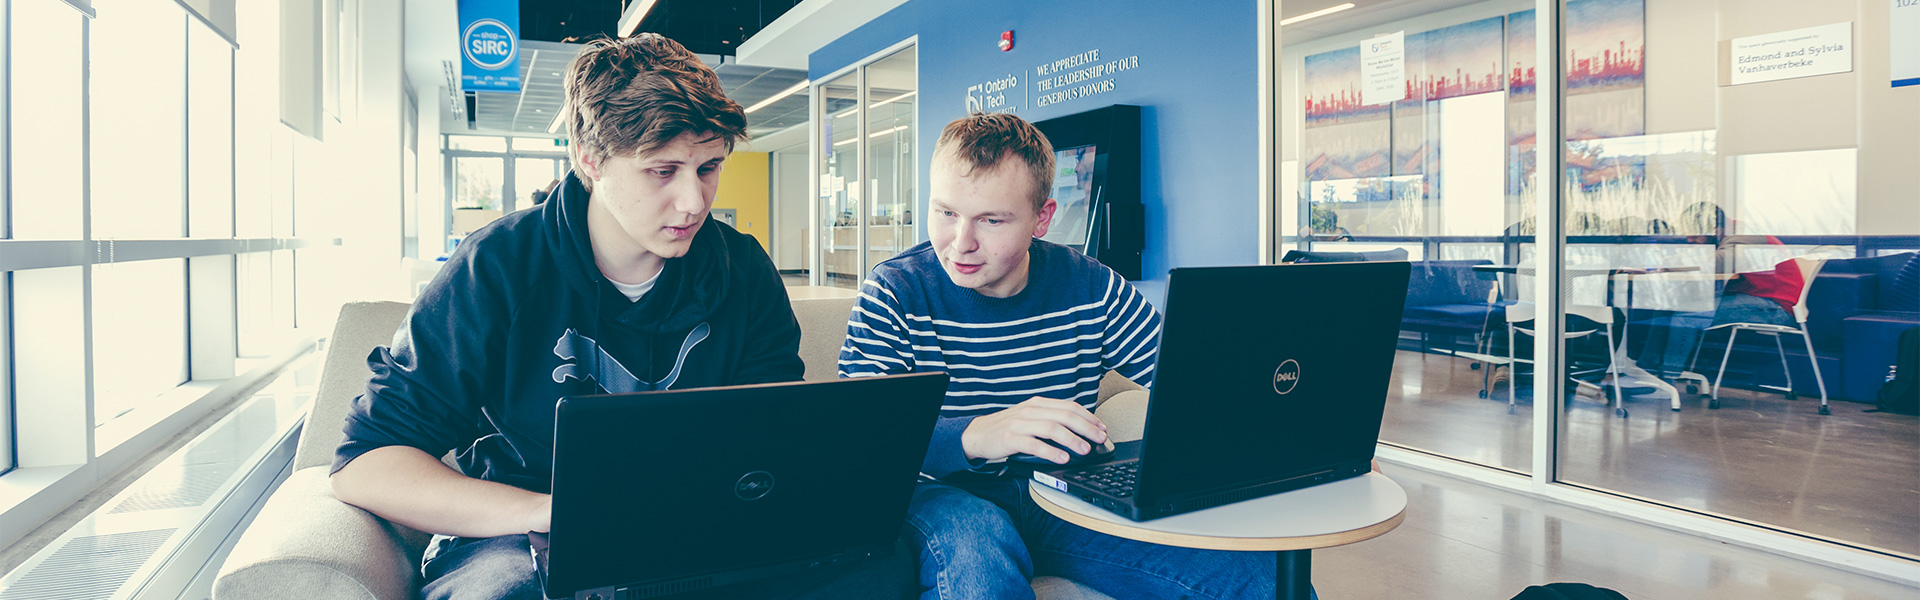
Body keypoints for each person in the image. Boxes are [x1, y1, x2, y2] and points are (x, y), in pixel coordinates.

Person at [330, 34, 886, 600]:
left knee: (876, 571)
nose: (695, 202)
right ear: (590, 160)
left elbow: (774, 431)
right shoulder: (495, 266)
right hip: (528, 528)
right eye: (662, 171)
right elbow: (368, 461)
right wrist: (555, 512)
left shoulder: (740, 268)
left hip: (704, 525)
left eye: (709, 168)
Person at [839, 113, 1285, 600]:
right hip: (936, 493)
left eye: (991, 220)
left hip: (1061, 490)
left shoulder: (1090, 285)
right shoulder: (894, 290)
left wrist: (1287, 438)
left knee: (1261, 577)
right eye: (945, 212)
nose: (960, 242)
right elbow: (860, 440)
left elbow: (1187, 383)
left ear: (1043, 218)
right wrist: (978, 433)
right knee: (979, 561)